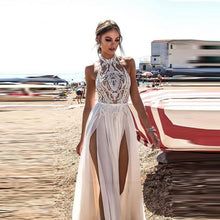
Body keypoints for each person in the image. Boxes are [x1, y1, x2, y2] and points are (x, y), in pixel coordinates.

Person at [72, 20, 160, 220]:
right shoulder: (90, 69)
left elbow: (135, 98)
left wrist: (150, 130)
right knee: (105, 183)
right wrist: (81, 139)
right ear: (98, 40)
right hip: (100, 121)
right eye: (108, 39)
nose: (113, 44)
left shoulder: (128, 63)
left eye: (117, 40)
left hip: (123, 121)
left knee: (120, 183)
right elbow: (88, 105)